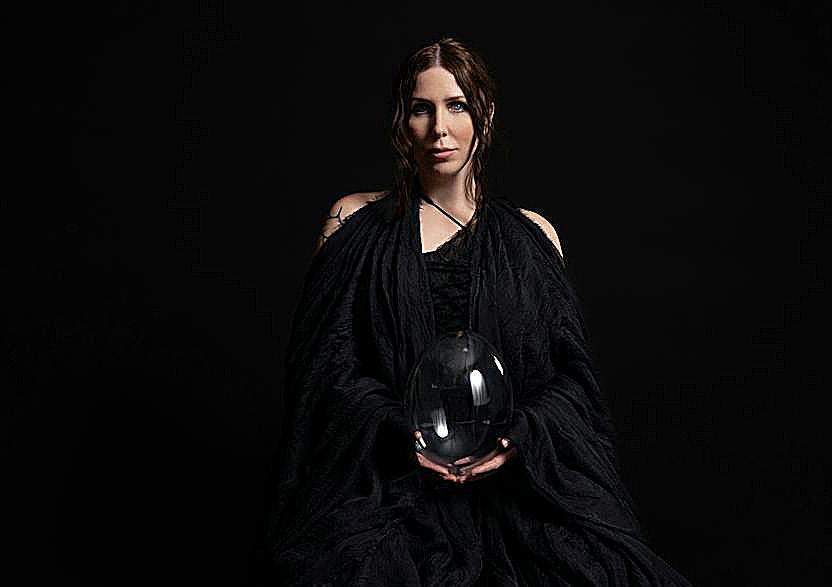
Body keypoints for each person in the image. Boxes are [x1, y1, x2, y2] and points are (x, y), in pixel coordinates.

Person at [265, 37, 693, 586]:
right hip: (387, 485)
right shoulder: (352, 222)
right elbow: (324, 371)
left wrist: (520, 438)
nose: (439, 128)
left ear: (484, 116)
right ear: (402, 122)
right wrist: (399, 435)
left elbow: (572, 379)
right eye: (422, 109)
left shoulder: (533, 235)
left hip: (516, 487)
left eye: (457, 106)